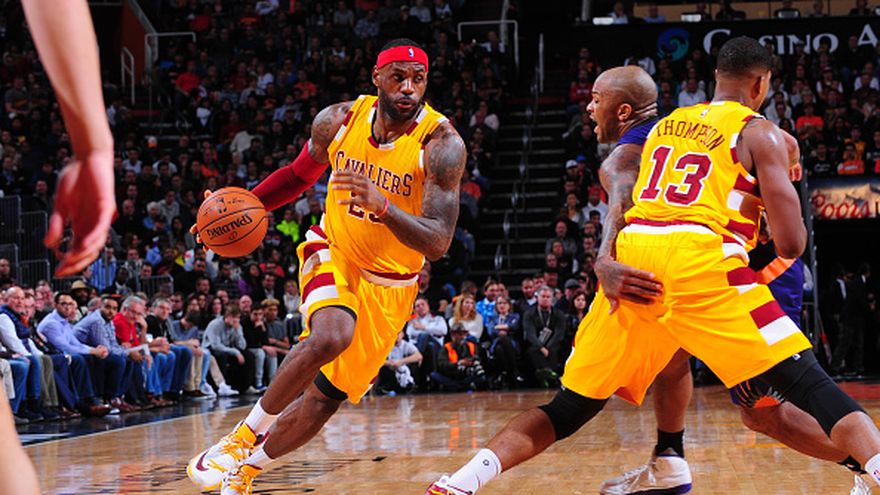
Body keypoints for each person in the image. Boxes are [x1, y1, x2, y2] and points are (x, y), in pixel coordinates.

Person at [425, 40, 880, 494]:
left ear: (714, 79)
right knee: (803, 388)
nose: (590, 109)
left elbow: (627, 196)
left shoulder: (666, 125)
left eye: (597, 100)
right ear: (762, 84)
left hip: (639, 258)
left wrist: (606, 258)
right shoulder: (762, 134)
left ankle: (460, 483)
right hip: (702, 260)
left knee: (570, 408)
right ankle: (863, 462)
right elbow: (792, 242)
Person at [188, 38, 466, 494]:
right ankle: (240, 438)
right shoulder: (339, 120)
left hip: (392, 284)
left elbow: (438, 242)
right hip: (334, 248)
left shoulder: (441, 144)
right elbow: (298, 176)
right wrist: (233, 210)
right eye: (398, 77)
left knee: (322, 402)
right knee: (332, 335)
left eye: (418, 79)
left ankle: (244, 471)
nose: (408, 88)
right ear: (377, 77)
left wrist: (384, 208)